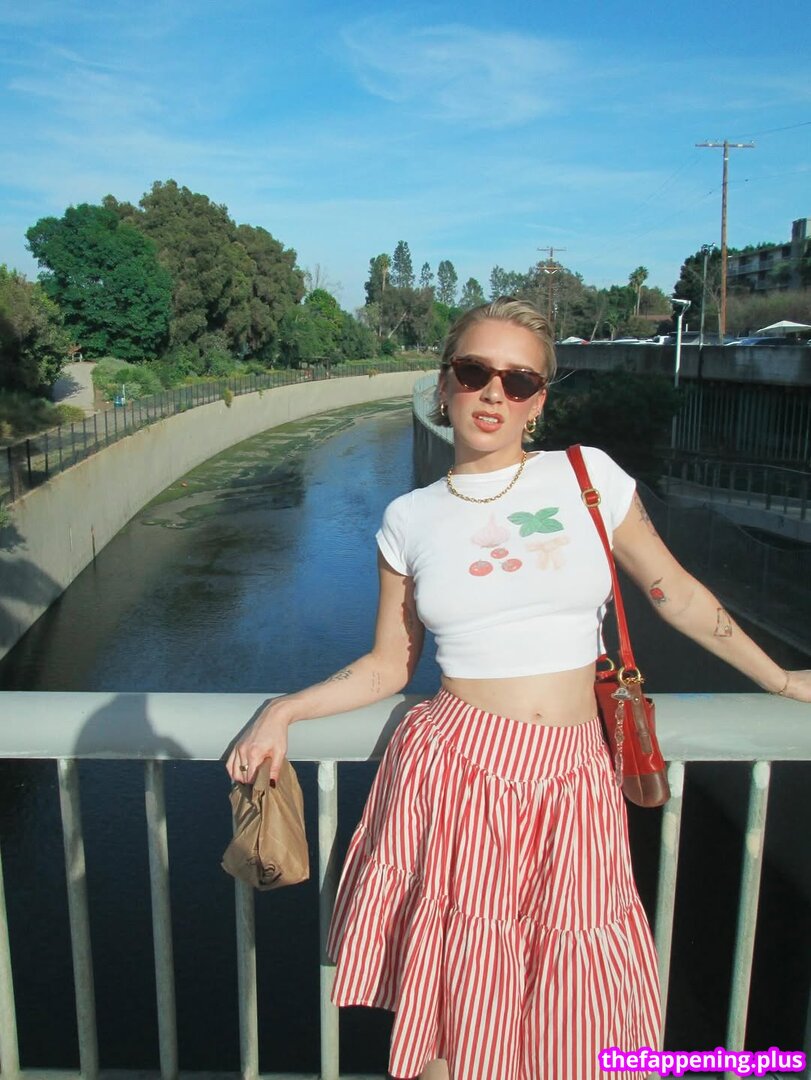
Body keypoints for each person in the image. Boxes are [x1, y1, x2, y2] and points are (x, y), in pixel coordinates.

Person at [226, 298, 811, 1080]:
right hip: (459, 772)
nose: (493, 392)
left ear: (538, 401)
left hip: (574, 775)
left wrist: (777, 676)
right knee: (455, 1000)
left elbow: (672, 591)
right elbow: (389, 666)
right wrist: (284, 708)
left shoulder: (586, 476)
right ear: (444, 384)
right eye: (474, 372)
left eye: (519, 379)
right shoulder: (408, 518)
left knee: (572, 998)